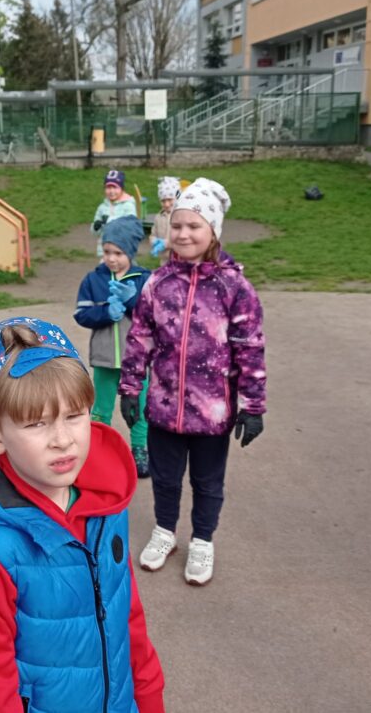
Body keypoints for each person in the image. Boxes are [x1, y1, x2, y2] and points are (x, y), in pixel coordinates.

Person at [0, 317, 166, 712]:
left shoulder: (105, 503)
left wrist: (148, 701)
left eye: (74, 416)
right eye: (36, 423)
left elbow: (127, 615)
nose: (62, 440)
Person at [118, 178, 267, 587]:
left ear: (213, 230)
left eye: (194, 226)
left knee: (207, 482)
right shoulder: (157, 284)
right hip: (164, 407)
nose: (183, 234)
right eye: (177, 226)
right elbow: (140, 338)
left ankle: (202, 540)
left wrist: (253, 407)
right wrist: (129, 387)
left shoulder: (235, 288)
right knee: (165, 478)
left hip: (212, 412)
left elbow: (250, 349)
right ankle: (165, 531)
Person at [74, 216, 152, 477]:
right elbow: (81, 314)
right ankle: (99, 450)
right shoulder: (93, 279)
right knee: (101, 409)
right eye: (107, 251)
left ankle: (139, 449)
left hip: (137, 361)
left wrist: (132, 302)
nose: (111, 258)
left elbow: (155, 315)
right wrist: (106, 312)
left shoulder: (144, 278)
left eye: (118, 253)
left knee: (140, 408)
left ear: (130, 251)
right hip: (105, 358)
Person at [90, 169, 137, 257]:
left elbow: (130, 227)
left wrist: (110, 220)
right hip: (105, 252)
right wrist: (96, 228)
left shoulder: (128, 205)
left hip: (122, 252)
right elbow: (95, 233)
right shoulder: (102, 207)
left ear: (122, 188)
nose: (111, 191)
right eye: (108, 188)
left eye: (115, 187)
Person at [149, 177, 180, 264]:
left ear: (177, 198)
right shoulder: (158, 217)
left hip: (179, 260)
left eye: (170, 200)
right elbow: (153, 234)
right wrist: (153, 241)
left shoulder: (180, 216)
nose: (166, 204)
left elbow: (183, 241)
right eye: (163, 201)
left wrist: (167, 244)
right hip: (164, 261)